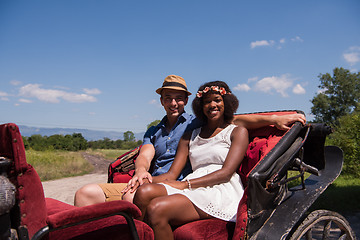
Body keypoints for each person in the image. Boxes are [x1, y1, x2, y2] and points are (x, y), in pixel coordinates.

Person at [74, 75, 306, 207]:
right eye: (168, 99)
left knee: (131, 197)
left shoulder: (194, 124)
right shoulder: (154, 130)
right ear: (161, 102)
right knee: (85, 193)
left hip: (182, 183)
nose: (173, 103)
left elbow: (232, 118)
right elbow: (144, 155)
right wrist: (141, 172)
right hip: (153, 180)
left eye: (178, 98)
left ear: (186, 100)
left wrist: (274, 118)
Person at [133, 81, 248, 240]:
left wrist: (186, 184)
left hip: (220, 188)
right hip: (193, 184)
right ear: (200, 106)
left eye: (217, 100)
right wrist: (143, 178)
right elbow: (172, 175)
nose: (212, 105)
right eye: (207, 101)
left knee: (157, 208)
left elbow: (226, 173)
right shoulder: (190, 135)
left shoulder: (237, 132)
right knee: (144, 192)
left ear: (227, 103)